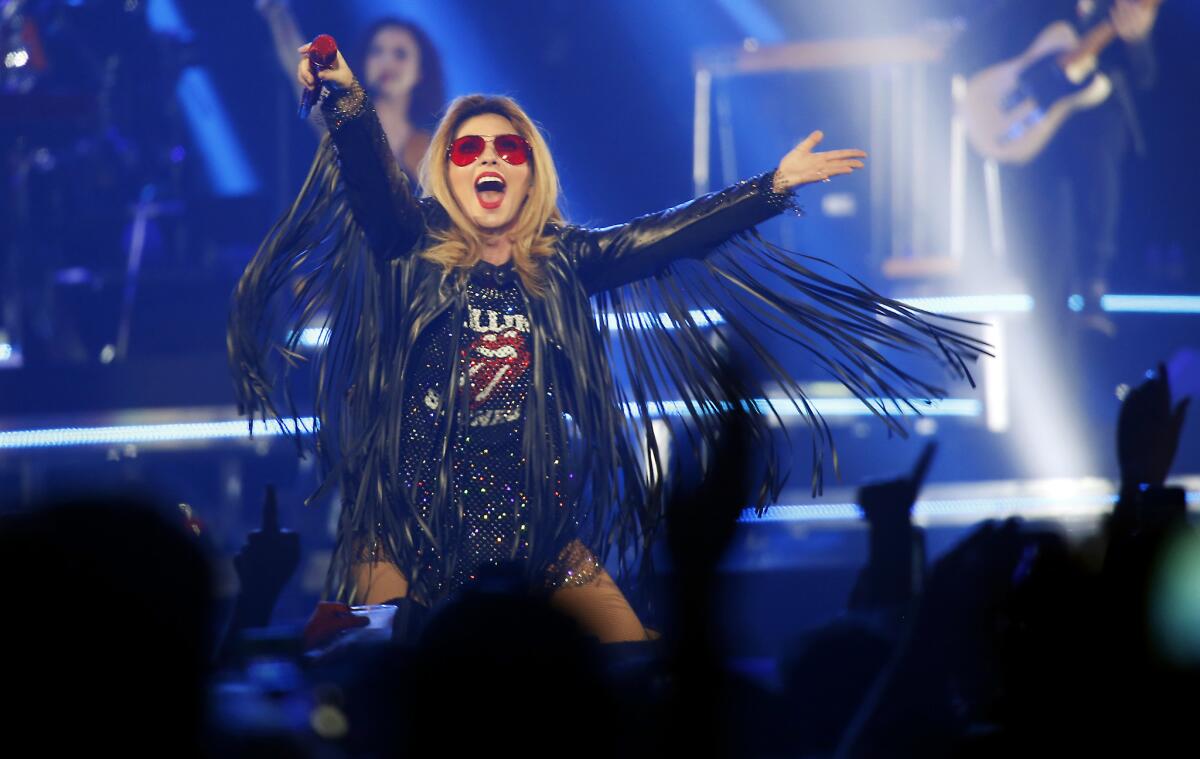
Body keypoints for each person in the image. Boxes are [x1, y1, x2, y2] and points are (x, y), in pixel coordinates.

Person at [228, 43, 985, 643]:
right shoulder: (408, 241)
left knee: (633, 659)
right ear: (447, 174)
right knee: (377, 691)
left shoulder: (567, 261)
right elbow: (369, 176)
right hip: (408, 518)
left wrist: (769, 187)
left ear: (530, 173)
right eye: (467, 150)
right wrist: (345, 97)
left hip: (534, 520)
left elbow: (666, 236)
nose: (489, 159)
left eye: (507, 149)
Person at [256, 1, 445, 181]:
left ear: (421, 71)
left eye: (400, 54)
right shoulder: (345, 123)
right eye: (376, 51)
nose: (386, 62)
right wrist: (276, 13)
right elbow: (301, 72)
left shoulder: (428, 147)